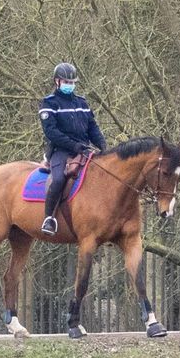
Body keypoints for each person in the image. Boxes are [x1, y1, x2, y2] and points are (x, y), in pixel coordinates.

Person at [38, 62, 107, 235]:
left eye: (72, 82)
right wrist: (75, 145)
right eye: (66, 82)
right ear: (57, 81)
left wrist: (102, 145)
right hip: (61, 150)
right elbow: (51, 132)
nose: (70, 85)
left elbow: (92, 127)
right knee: (59, 179)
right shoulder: (49, 103)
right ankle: (49, 219)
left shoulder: (82, 103)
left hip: (84, 150)